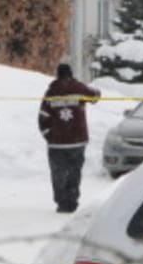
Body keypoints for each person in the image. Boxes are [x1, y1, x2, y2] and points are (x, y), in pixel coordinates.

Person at [37, 63, 100, 213]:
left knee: (58, 173)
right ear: (71, 74)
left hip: (57, 143)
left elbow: (42, 117)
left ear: (57, 74)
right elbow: (96, 96)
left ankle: (61, 202)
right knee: (74, 172)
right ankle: (72, 201)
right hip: (77, 141)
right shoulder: (79, 88)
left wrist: (48, 135)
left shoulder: (51, 92)